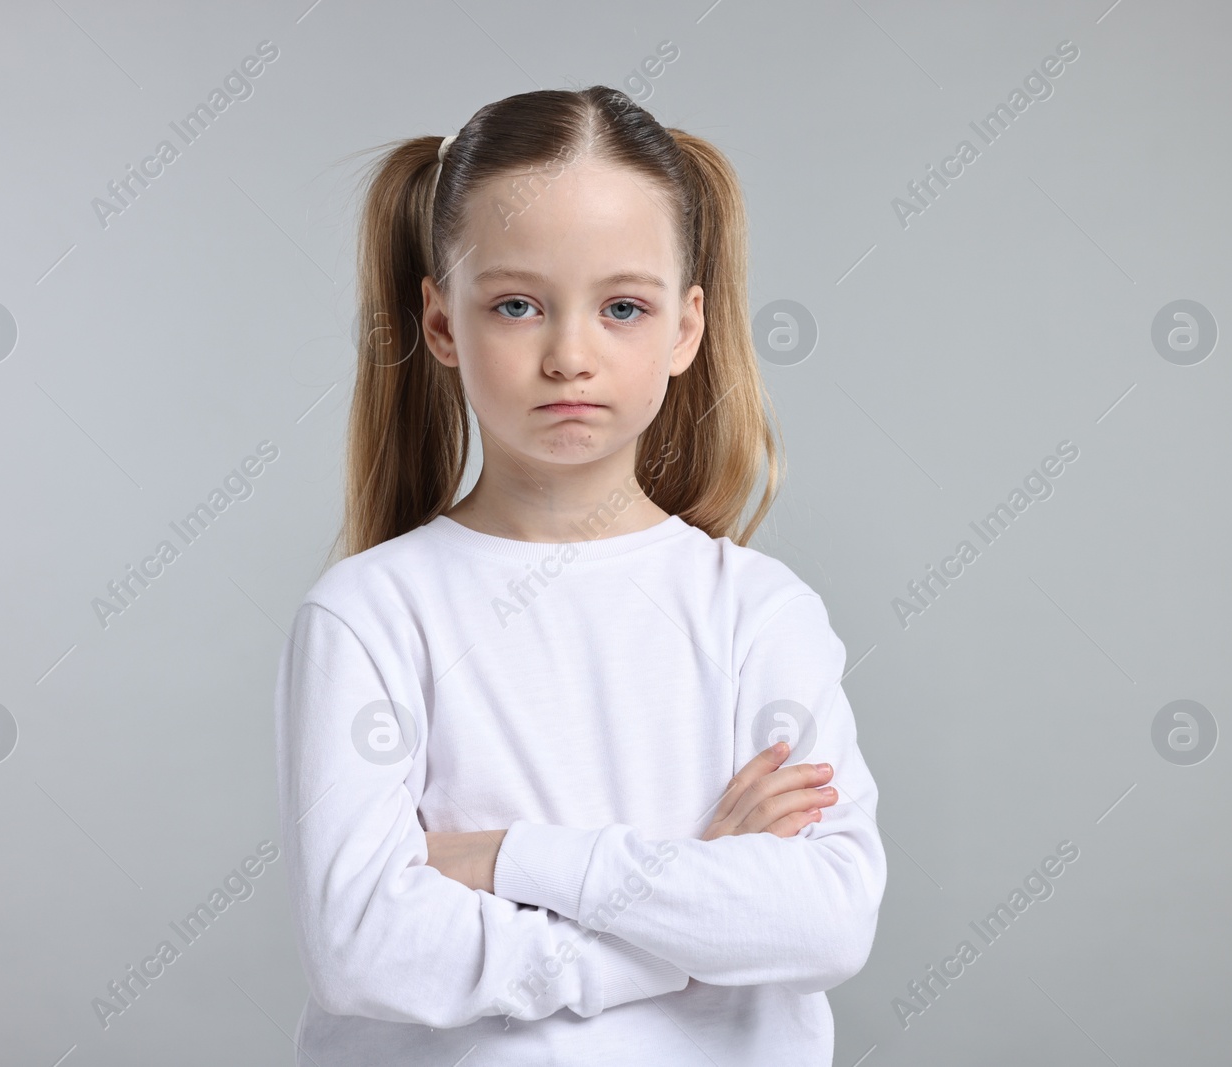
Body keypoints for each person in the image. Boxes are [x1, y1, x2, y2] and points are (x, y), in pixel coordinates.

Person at [273, 84, 886, 1066]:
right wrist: (692, 906)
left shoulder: (760, 615)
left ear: (685, 328)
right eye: (516, 304)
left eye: (622, 307)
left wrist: (511, 858)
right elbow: (365, 950)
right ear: (440, 324)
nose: (569, 354)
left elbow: (823, 922)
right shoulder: (369, 614)